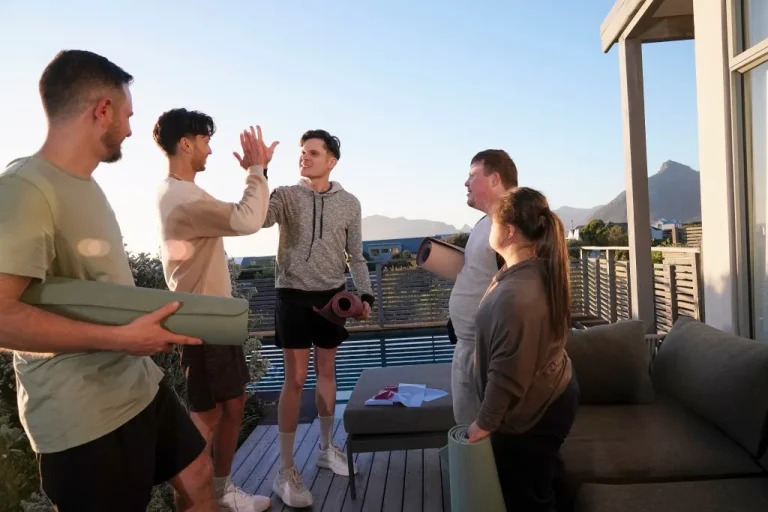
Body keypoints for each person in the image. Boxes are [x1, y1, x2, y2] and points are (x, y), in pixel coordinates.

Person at [0, 50, 217, 511]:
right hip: (82, 415)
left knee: (199, 475)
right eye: (127, 114)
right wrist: (121, 338)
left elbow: (96, 289)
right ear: (102, 110)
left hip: (136, 384)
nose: (132, 129)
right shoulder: (24, 188)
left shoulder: (87, 184)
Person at [154, 109, 277, 511]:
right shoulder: (184, 196)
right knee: (207, 415)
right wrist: (256, 169)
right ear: (185, 144)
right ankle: (196, 499)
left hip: (210, 319)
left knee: (231, 404)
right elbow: (247, 220)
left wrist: (258, 174)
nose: (209, 149)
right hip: (202, 322)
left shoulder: (179, 192)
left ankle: (219, 490)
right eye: (204, 141)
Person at [263, 129, 373, 508]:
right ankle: (286, 469)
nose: (304, 158)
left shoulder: (350, 203)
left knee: (327, 372)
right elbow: (260, 218)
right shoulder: (284, 195)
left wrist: (365, 293)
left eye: (313, 153)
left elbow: (355, 256)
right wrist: (259, 172)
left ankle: (327, 448)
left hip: (331, 298)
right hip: (292, 296)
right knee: (294, 379)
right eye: (302, 152)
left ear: (331, 161)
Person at [467, 187, 580, 512]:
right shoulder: (525, 273)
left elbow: (507, 372)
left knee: (525, 500)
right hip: (548, 399)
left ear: (510, 231)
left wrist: (484, 423)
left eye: (493, 222)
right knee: (539, 484)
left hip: (534, 412)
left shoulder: (518, 294)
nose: (490, 229)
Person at [448, 149, 517, 425]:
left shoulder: (509, 226)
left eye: (473, 175)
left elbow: (517, 289)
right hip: (468, 345)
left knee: (482, 439)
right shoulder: (483, 224)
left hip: (488, 353)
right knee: (468, 431)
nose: (466, 183)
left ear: (494, 179)